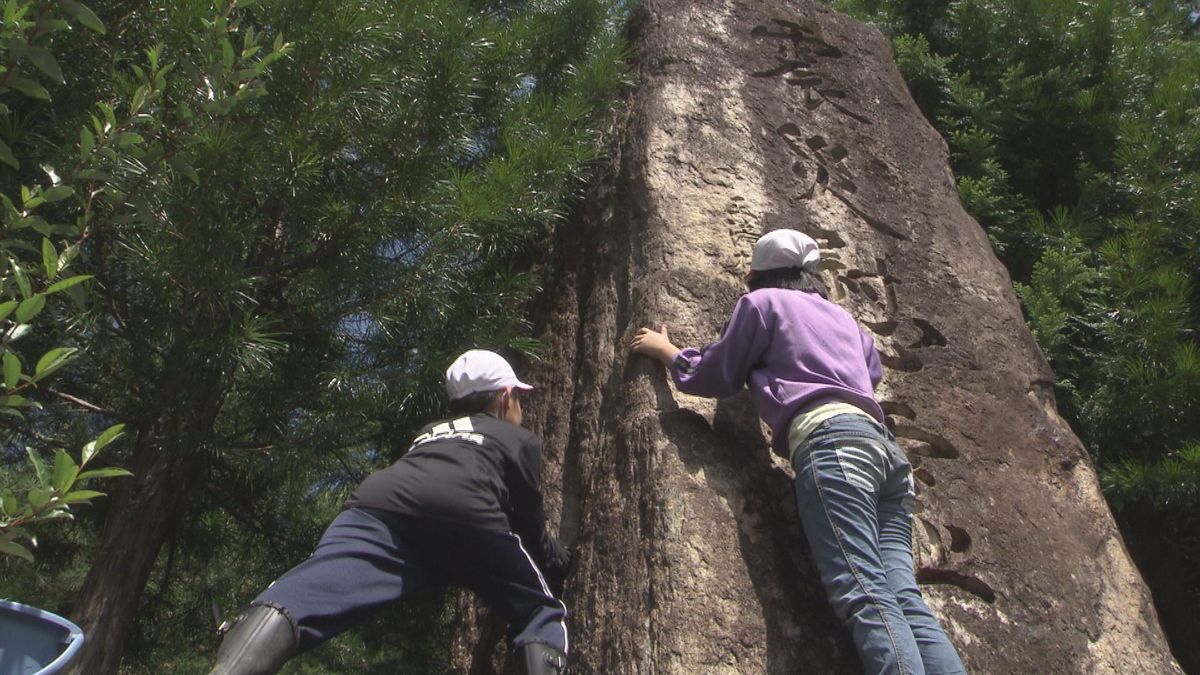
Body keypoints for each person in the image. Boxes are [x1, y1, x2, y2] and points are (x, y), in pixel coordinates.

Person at [630, 229, 966, 675]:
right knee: (904, 595)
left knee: (865, 592)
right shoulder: (845, 320)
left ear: (755, 275)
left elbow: (719, 373)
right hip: (883, 451)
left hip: (832, 446)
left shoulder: (761, 304)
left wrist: (670, 353)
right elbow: (873, 373)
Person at [210, 350, 572, 675]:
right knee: (538, 611)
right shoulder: (518, 439)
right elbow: (528, 529)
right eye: (519, 398)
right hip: (464, 506)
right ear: (504, 397)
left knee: (300, 595)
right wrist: (560, 561)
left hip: (375, 506)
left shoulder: (429, 432)